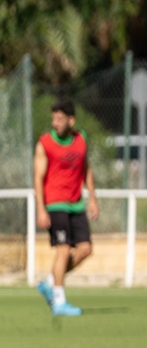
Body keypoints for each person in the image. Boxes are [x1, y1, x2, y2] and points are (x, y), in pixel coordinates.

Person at [33, 99, 100, 317]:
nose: (56, 123)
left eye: (60, 119)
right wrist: (41, 209)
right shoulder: (45, 144)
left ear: (72, 120)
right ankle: (59, 302)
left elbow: (86, 169)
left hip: (76, 203)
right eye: (53, 119)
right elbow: (38, 177)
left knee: (85, 249)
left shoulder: (81, 140)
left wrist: (93, 198)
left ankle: (50, 282)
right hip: (55, 204)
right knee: (63, 250)